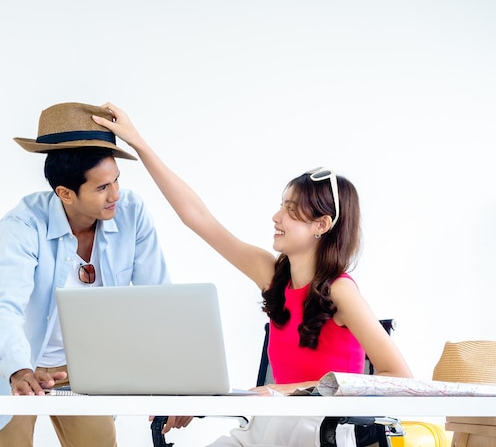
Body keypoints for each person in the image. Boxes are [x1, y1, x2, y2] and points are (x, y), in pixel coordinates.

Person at [93, 102, 413, 447]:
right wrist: (139, 143)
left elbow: (399, 376)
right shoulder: (272, 275)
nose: (276, 217)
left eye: (291, 210)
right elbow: (198, 218)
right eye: (281, 205)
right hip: (268, 426)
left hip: (324, 431)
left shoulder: (340, 291)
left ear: (322, 224)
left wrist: (283, 391)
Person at [0, 102, 170, 447]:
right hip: (20, 366)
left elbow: (157, 300)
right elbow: (2, 309)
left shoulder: (132, 213)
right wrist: (18, 369)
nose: (116, 195)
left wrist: (171, 382)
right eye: (101, 188)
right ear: (65, 194)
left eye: (116, 181)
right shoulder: (23, 224)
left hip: (85, 372)